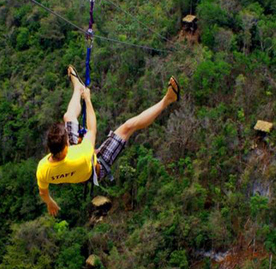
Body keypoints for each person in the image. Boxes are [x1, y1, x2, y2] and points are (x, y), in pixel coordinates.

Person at [36, 65, 180, 216]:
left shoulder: (43, 169)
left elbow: (43, 192)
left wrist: (50, 202)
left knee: (69, 117)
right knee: (127, 127)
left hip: (78, 166)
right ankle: (168, 99)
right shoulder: (81, 155)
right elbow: (92, 129)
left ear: (50, 149)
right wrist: (88, 100)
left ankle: (78, 88)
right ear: (67, 144)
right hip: (97, 166)